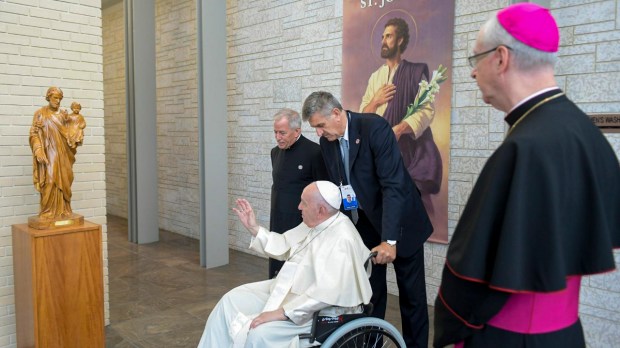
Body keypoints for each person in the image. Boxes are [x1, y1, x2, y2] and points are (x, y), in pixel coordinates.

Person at [433, 3, 620, 347]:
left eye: (475, 60)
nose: (473, 74)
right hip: (565, 335)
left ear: (501, 58)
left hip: (509, 338)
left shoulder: (526, 148)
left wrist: (449, 328)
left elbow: (472, 280)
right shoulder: (586, 133)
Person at [302, 91, 433, 348]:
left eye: (320, 125)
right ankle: (371, 345)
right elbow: (337, 187)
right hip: (366, 224)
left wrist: (390, 240)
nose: (318, 133)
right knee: (370, 294)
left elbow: (392, 186)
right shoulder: (328, 143)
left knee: (412, 297)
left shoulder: (374, 128)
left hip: (401, 223)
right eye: (315, 127)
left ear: (337, 114)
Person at [198, 181, 372, 347]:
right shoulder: (316, 222)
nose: (299, 207)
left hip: (318, 310)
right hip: (289, 289)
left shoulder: (342, 239)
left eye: (303, 203)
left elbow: (324, 295)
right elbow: (284, 244)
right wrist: (254, 228)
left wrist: (281, 313)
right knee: (231, 300)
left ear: (321, 210)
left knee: (259, 333)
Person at [359, 17, 442, 212]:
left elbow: (426, 110)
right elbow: (363, 115)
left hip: (406, 149)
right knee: (382, 204)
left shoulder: (414, 72)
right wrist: (375, 101)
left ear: (400, 40)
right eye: (382, 37)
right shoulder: (375, 77)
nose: (383, 41)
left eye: (389, 36)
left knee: (412, 207)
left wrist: (399, 129)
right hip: (380, 150)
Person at [269, 108, 328, 278]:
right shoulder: (275, 152)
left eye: (282, 133)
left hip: (301, 223)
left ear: (297, 131)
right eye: (275, 132)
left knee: (297, 273)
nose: (278, 137)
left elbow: (322, 190)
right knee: (276, 269)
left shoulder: (315, 153)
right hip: (277, 220)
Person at [29, 87, 83, 220]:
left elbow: (72, 132)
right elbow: (34, 133)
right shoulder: (40, 113)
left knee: (65, 180)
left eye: (60, 99)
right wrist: (38, 150)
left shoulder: (64, 116)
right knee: (50, 180)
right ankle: (47, 212)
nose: (58, 101)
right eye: (55, 98)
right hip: (48, 153)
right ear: (48, 97)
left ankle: (64, 210)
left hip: (63, 154)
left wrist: (77, 136)